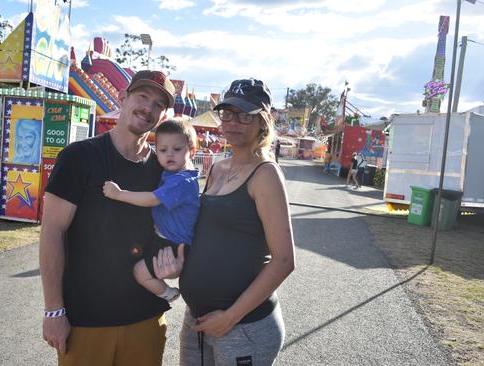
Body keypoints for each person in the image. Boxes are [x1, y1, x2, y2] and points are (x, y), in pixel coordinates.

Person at [40, 70, 183, 366]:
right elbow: (52, 232)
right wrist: (54, 310)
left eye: (158, 103)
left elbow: (175, 230)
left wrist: (175, 264)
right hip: (86, 323)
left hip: (146, 320)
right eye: (143, 96)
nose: (148, 107)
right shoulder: (79, 157)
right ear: (122, 98)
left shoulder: (164, 172)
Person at [160, 78, 295, 365]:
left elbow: (284, 260)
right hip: (198, 319)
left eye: (245, 115)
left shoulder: (266, 174)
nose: (233, 122)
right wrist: (181, 261)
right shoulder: (218, 169)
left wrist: (231, 317)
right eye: (228, 113)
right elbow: (208, 234)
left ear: (263, 122)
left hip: (243, 326)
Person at [103, 119, 199, 303]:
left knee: (140, 272)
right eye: (163, 150)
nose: (169, 154)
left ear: (192, 151)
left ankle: (167, 293)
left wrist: (119, 194)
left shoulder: (181, 181)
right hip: (165, 237)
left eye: (177, 149)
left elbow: (152, 199)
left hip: (171, 242)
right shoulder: (174, 174)